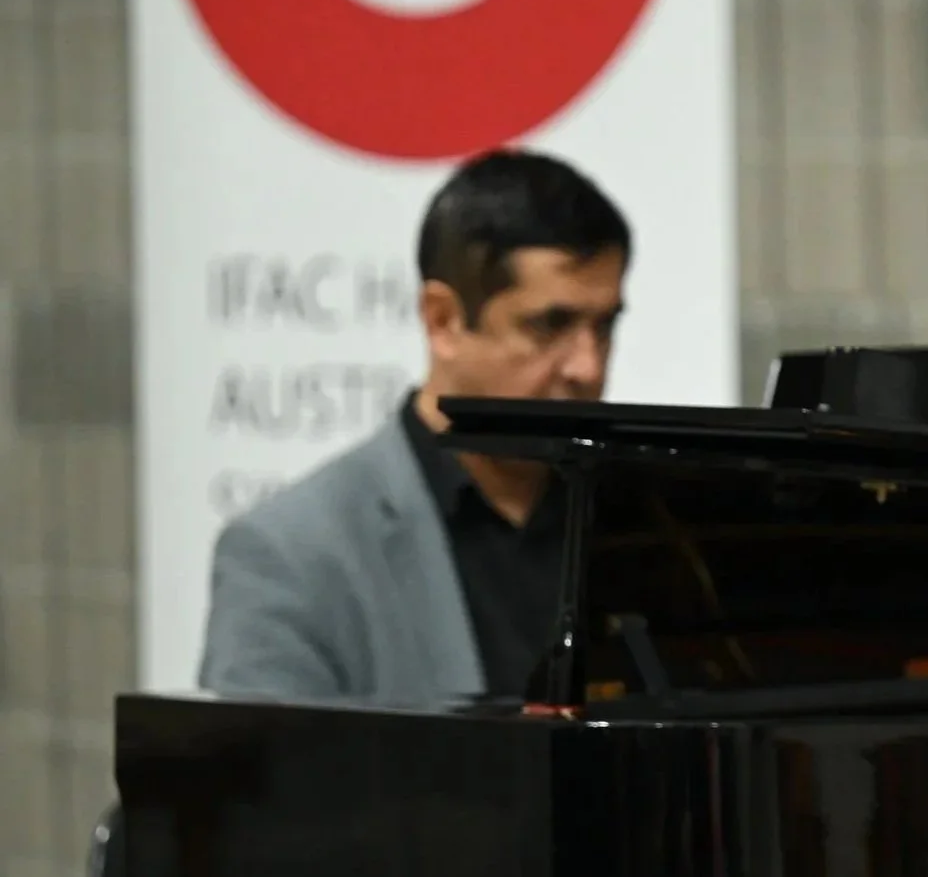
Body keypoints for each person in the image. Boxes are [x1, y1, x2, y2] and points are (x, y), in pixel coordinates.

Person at [196, 148, 632, 706]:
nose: (587, 367)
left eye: (604, 326)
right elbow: (261, 761)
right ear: (442, 319)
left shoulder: (643, 525)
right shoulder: (291, 554)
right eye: (550, 325)